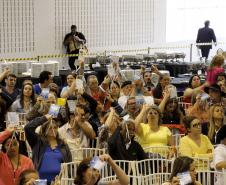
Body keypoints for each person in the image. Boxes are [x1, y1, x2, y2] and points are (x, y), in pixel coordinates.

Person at [24, 115, 72, 184]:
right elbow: (27, 128)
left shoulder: (63, 144)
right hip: (40, 182)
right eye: (50, 128)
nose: (53, 130)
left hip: (58, 182)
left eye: (55, 127)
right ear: (44, 129)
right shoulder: (37, 141)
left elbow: (69, 164)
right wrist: (44, 118)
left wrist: (68, 180)